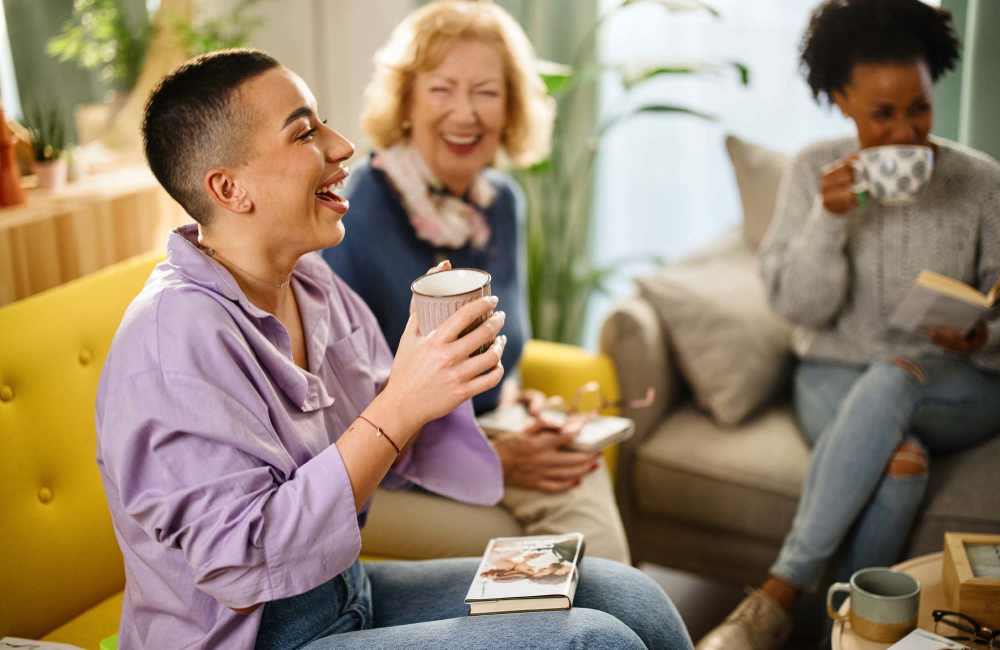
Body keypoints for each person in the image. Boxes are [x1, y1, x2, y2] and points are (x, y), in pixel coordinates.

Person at [96, 48, 693, 649]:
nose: (341, 146)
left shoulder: (309, 282)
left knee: (630, 597)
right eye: (304, 132)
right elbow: (243, 563)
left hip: (343, 590)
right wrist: (402, 403)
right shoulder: (170, 344)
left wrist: (441, 372)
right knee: (591, 642)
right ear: (230, 188)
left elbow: (392, 419)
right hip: (250, 635)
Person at [696, 2, 1000, 648]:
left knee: (899, 373)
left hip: (960, 384)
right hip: (834, 373)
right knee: (902, 462)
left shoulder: (981, 184)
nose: (905, 134)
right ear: (840, 101)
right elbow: (798, 309)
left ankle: (777, 596)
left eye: (918, 108)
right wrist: (829, 221)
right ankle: (847, 632)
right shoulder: (812, 173)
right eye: (880, 115)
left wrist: (981, 336)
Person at [322, 0, 630, 564]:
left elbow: (500, 363)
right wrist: (497, 454)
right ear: (407, 102)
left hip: (483, 440)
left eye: (487, 92)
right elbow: (343, 414)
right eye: (442, 89)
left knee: (582, 492)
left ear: (511, 109)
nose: (465, 113)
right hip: (385, 471)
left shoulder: (501, 203)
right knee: (567, 553)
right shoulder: (356, 212)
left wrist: (519, 409)